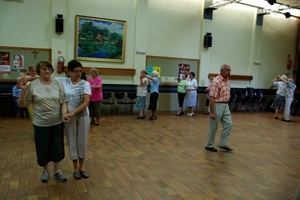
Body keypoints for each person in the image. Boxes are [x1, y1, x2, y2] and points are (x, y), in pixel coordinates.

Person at [18, 60, 68, 182]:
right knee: (43, 147)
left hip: (56, 122)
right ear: (39, 71)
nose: (47, 71)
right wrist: (24, 91)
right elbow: (22, 105)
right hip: (40, 123)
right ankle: (45, 171)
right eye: (44, 69)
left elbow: (63, 102)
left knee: (57, 147)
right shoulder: (33, 85)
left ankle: (57, 171)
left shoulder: (57, 84)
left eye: (49, 69)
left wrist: (64, 113)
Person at [55, 59, 91, 180]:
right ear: (69, 71)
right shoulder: (63, 81)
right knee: (72, 141)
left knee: (82, 141)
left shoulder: (85, 84)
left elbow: (86, 103)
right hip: (69, 116)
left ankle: (82, 166)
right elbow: (45, 76)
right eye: (76, 71)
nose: (79, 73)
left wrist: (72, 113)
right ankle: (75, 167)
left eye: (80, 71)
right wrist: (28, 78)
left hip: (83, 115)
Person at [205, 64, 232, 152]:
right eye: (227, 70)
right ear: (222, 71)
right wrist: (212, 112)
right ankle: (209, 145)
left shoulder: (227, 81)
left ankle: (222, 143)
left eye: (230, 70)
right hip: (217, 105)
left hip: (225, 105)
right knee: (214, 126)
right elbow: (212, 98)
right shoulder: (216, 81)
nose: (229, 72)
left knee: (228, 124)